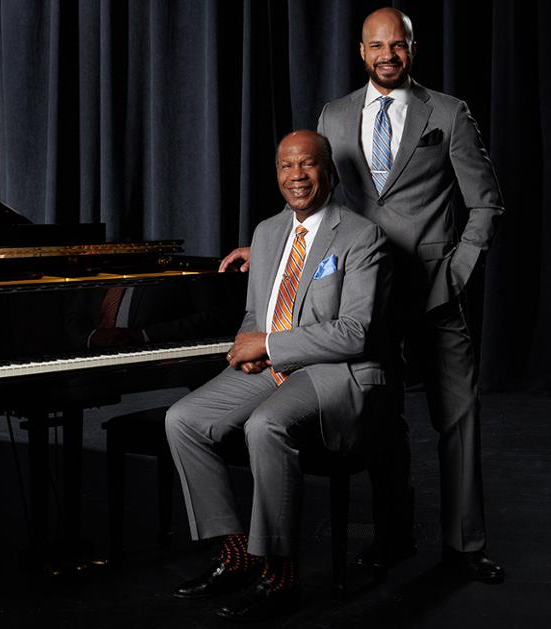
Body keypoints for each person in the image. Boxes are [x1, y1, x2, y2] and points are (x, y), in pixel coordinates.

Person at [219, 7, 505, 583]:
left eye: (397, 45)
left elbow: (486, 204)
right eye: (377, 46)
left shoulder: (446, 114)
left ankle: (464, 547)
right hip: (357, 292)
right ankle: (394, 538)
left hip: (430, 294)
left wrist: (454, 275)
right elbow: (316, 189)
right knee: (381, 421)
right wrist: (272, 247)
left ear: (412, 50)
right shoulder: (336, 113)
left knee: (457, 416)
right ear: (361, 51)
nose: (387, 56)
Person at [166, 130, 393, 621]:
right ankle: (236, 552)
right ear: (276, 174)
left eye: (308, 165)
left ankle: (280, 572)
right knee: (183, 419)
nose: (297, 176)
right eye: (286, 166)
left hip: (336, 371)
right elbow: (258, 315)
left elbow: (356, 332)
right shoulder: (268, 233)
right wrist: (252, 347)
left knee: (264, 426)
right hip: (275, 364)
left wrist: (268, 345)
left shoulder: (360, 235)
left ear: (328, 170)